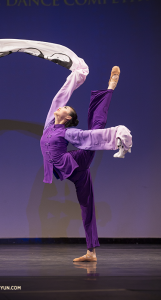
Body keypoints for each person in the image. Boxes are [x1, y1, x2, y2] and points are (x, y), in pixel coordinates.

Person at [40, 66, 132, 262]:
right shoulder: (49, 124)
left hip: (75, 161)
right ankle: (91, 252)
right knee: (86, 205)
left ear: (68, 119)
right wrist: (76, 76)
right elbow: (59, 97)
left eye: (65, 109)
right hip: (72, 171)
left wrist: (116, 132)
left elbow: (84, 136)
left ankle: (111, 90)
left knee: (94, 131)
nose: (61, 107)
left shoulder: (67, 131)